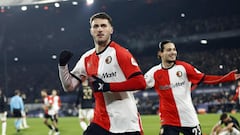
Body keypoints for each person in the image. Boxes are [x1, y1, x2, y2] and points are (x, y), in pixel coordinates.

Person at [58, 12, 146, 135]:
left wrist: (107, 87)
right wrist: (62, 66)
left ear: (111, 30)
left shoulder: (120, 53)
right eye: (96, 26)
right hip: (101, 122)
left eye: (104, 26)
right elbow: (69, 86)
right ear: (91, 31)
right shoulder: (86, 58)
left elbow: (140, 83)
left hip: (126, 123)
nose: (99, 29)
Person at [144, 40, 240, 135]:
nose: (173, 52)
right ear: (160, 53)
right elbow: (138, 85)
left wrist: (228, 77)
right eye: (169, 50)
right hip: (168, 120)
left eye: (174, 49)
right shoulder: (153, 73)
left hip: (189, 118)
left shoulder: (184, 67)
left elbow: (205, 78)